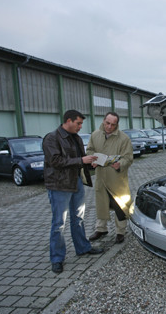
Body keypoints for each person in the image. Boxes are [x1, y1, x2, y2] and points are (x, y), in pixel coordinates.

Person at [43, 110, 104, 274]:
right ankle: (57, 258)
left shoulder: (76, 137)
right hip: (59, 185)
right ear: (68, 121)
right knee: (59, 223)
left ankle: (83, 248)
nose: (80, 126)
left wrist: (89, 163)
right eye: (78, 123)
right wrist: (80, 160)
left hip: (76, 182)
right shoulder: (51, 138)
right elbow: (54, 161)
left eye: (81, 124)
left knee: (78, 218)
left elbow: (78, 159)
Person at [86, 112, 134, 244]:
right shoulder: (95, 135)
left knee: (120, 206)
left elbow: (128, 158)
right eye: (107, 123)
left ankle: (120, 232)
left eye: (113, 124)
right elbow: (89, 150)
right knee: (101, 204)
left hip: (117, 179)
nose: (109, 127)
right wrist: (92, 159)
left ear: (117, 124)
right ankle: (101, 229)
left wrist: (121, 164)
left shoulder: (124, 139)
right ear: (103, 121)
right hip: (101, 178)